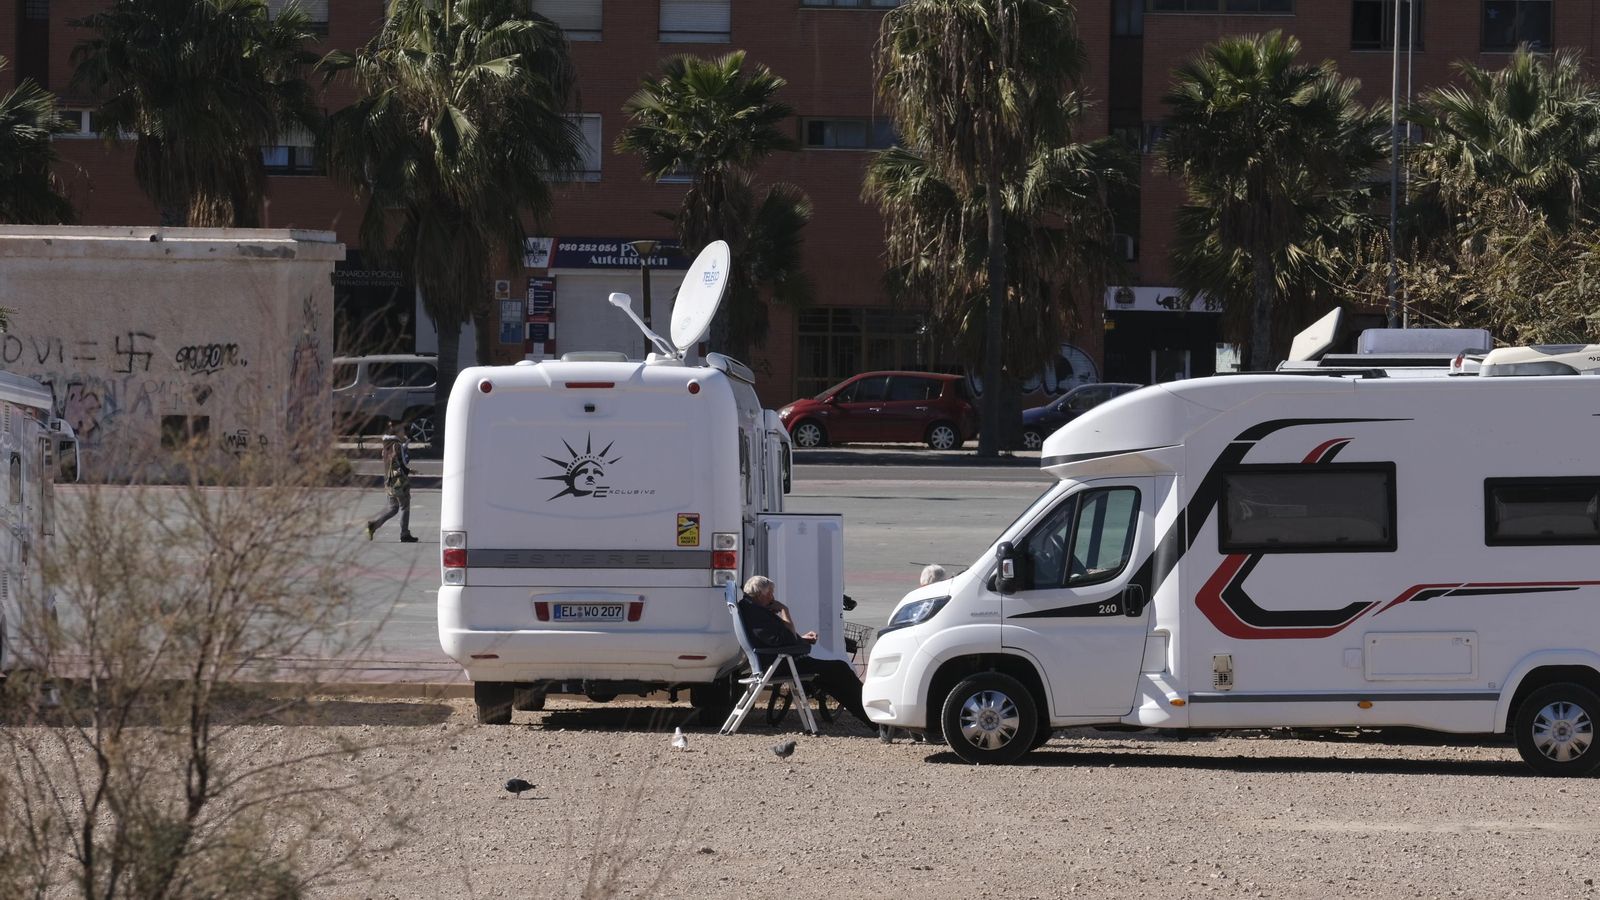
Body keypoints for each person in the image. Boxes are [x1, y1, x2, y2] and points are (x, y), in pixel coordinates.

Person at [737, 575, 872, 727]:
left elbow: (779, 638)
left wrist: (800, 639)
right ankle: (873, 717)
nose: (773, 598)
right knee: (839, 670)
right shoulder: (757, 614)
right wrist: (784, 610)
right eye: (771, 594)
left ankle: (870, 716)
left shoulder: (751, 608)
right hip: (782, 663)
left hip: (780, 660)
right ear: (763, 594)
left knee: (838, 673)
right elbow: (786, 639)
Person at [366, 421, 418, 542]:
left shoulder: (386, 445)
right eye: (401, 430)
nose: (403, 432)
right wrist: (409, 470)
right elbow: (403, 462)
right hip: (399, 481)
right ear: (396, 431)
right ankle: (404, 534)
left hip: (388, 481)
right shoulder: (397, 445)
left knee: (393, 508)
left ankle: (373, 525)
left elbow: (393, 462)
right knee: (405, 506)